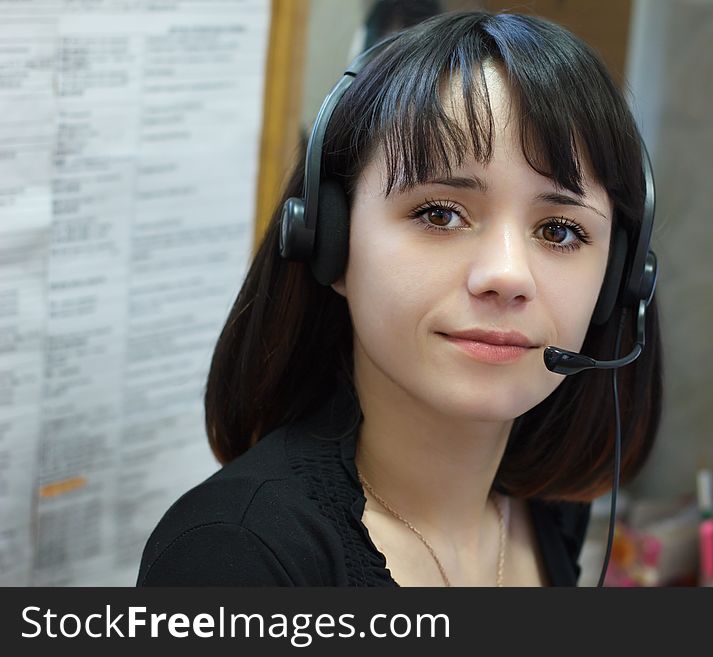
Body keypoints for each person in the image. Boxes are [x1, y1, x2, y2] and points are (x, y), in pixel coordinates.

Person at [137, 10, 662, 587]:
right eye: (440, 214)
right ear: (331, 245)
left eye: (559, 230)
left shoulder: (549, 507)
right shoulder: (233, 554)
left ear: (620, 279)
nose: (507, 275)